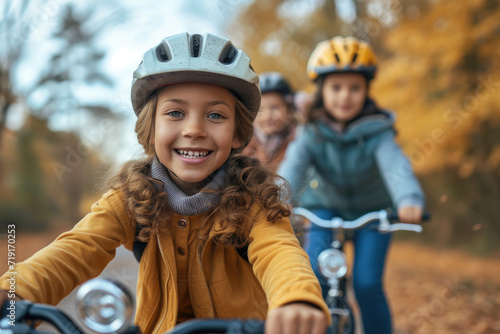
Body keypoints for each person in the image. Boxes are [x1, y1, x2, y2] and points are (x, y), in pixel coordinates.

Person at [0, 33, 330, 334]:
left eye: (215, 115)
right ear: (150, 129)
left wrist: (296, 299)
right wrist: (14, 292)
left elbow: (279, 252)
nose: (194, 129)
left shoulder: (253, 200)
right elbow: (76, 249)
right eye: (175, 113)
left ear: (238, 134)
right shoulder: (130, 198)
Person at [278, 36, 425, 334]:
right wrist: (277, 198)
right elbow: (292, 167)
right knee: (315, 275)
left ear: (366, 90)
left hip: (374, 213)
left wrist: (408, 199)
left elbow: (395, 166)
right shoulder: (311, 131)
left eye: (354, 87)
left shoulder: (377, 130)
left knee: (367, 283)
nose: (345, 96)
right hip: (323, 209)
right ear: (321, 91)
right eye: (336, 87)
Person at [242, 72, 297, 172]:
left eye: (275, 108)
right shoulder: (244, 144)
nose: (267, 117)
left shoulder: (297, 141)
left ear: (288, 108)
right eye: (260, 110)